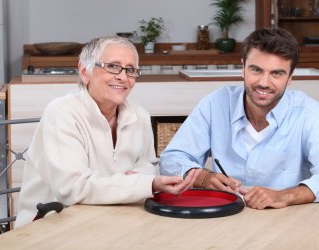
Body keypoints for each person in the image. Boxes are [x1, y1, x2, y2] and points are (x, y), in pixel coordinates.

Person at [16, 36, 198, 227]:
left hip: (114, 220)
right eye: (112, 66)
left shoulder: (140, 115)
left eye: (130, 69)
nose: (123, 77)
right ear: (84, 71)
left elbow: (149, 167)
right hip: (53, 225)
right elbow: (72, 189)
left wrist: (123, 182)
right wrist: (143, 184)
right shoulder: (61, 112)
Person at [160, 28, 319, 210]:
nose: (264, 82)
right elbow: (171, 159)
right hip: (224, 217)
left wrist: (286, 195)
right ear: (243, 68)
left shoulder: (310, 113)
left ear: (290, 77)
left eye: (276, 73)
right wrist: (204, 178)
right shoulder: (215, 103)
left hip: (287, 220)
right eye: (256, 70)